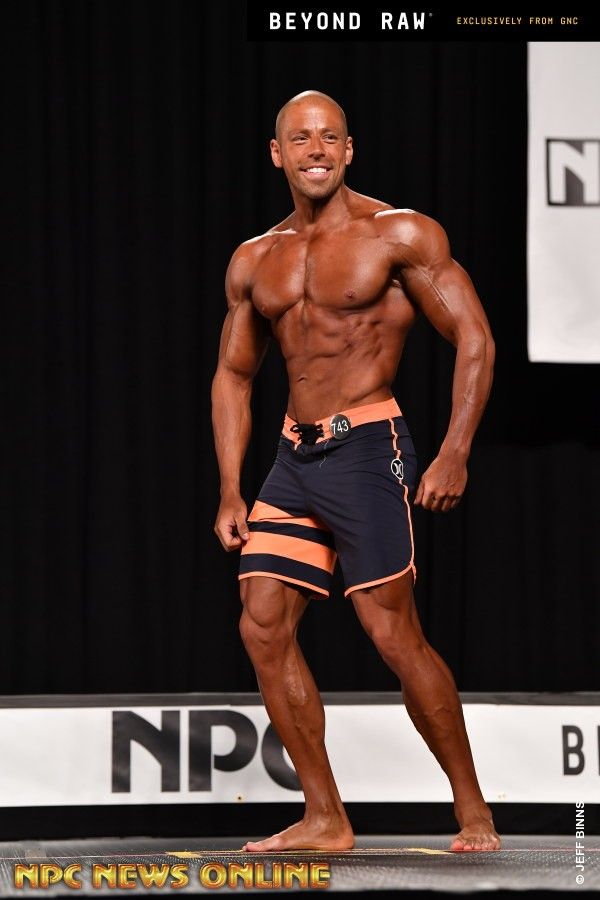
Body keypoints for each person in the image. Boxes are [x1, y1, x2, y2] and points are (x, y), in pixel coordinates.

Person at [211, 90, 500, 853]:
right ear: (277, 153)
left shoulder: (398, 234)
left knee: (391, 632)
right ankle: (325, 816)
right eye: (301, 138)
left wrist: (455, 449)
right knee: (262, 624)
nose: (316, 149)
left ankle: (472, 809)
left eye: (329, 137)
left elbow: (474, 337)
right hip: (293, 458)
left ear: (348, 150)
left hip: (369, 447)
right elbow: (234, 375)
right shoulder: (255, 258)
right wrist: (231, 488)